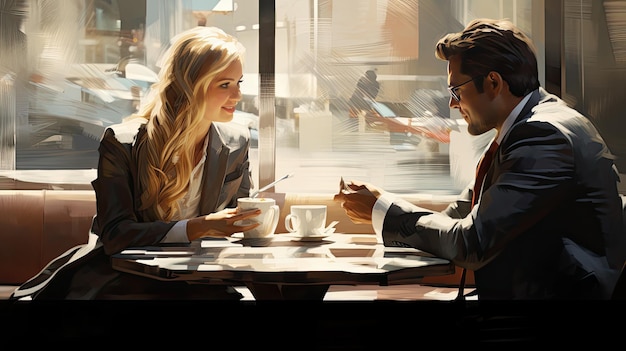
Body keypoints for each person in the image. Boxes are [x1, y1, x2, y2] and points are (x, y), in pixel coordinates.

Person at [334, 18, 626, 300]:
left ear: (494, 83)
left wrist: (383, 211)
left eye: (456, 90)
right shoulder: (529, 124)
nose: (452, 103)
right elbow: (459, 215)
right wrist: (384, 202)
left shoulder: (542, 138)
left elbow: (471, 241)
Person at [11, 26, 262, 300]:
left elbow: (238, 220)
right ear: (191, 85)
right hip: (126, 278)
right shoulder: (122, 142)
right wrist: (198, 227)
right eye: (224, 84)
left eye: (239, 83)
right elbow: (117, 233)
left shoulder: (237, 141)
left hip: (200, 277)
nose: (237, 95)